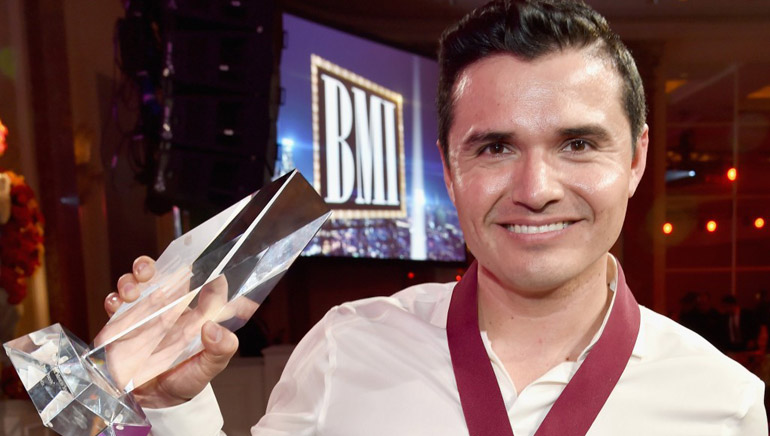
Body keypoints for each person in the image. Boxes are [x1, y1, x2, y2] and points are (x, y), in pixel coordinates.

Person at [106, 1, 767, 434]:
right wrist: (173, 403)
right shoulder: (346, 348)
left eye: (578, 143)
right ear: (449, 170)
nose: (536, 189)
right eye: (495, 148)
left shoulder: (722, 403)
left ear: (637, 157)